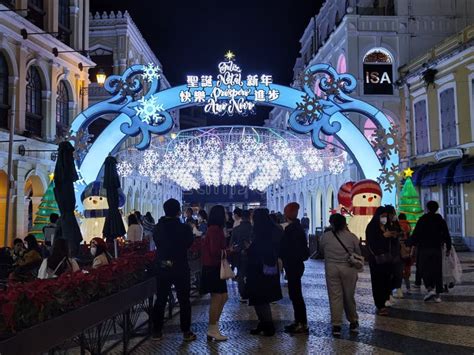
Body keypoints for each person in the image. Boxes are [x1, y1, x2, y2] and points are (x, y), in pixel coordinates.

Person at [152, 198, 196, 342]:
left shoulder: (158, 228)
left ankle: (157, 331)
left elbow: (157, 242)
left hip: (163, 266)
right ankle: (186, 331)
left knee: (161, 299)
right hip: (180, 266)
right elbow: (189, 242)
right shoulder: (184, 228)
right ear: (178, 212)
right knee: (184, 300)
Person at [320, 213, 361, 336]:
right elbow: (358, 252)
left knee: (335, 296)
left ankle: (336, 324)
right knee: (349, 295)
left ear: (332, 223)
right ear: (344, 223)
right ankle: (353, 321)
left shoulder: (325, 236)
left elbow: (321, 250)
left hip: (331, 268)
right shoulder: (351, 236)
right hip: (348, 268)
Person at [246, 208, 283, 337]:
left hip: (260, 271)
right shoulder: (272, 230)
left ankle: (268, 326)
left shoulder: (262, 233)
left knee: (261, 299)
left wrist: (249, 249)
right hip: (266, 269)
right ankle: (263, 323)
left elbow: (259, 250)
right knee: (259, 299)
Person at [411, 201, 451, 302]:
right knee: (437, 270)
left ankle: (430, 288)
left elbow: (416, 234)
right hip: (436, 249)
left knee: (423, 268)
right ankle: (437, 295)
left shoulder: (423, 219)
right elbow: (446, 234)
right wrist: (448, 247)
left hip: (424, 249)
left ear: (427, 208)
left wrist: (408, 243)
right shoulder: (440, 220)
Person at [279, 202, 310, 334]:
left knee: (296, 294)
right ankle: (299, 321)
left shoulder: (291, 230)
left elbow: (286, 247)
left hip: (293, 264)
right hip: (296, 264)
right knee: (295, 294)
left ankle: (301, 323)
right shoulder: (298, 228)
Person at [200, 205, 229, 341]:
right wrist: (228, 251)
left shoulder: (216, 229)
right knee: (217, 297)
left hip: (215, 266)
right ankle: (212, 328)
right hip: (212, 267)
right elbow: (215, 250)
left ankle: (214, 326)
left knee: (223, 297)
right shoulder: (214, 230)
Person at [365, 206, 398, 316]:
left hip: (387, 259)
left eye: (385, 216)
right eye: (382, 216)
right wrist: (383, 236)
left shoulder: (387, 226)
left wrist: (393, 236)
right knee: (378, 282)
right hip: (376, 260)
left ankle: (385, 300)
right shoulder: (372, 227)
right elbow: (372, 243)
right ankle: (380, 305)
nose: (384, 218)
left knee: (386, 280)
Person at [231, 209, 253, 302]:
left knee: (240, 275)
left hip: (239, 255)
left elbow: (231, 244)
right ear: (249, 217)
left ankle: (243, 295)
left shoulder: (236, 229)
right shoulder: (254, 228)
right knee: (251, 274)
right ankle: (251, 292)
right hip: (252, 255)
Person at [385, 205, 404, 301]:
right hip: (389, 251)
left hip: (395, 251)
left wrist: (397, 234)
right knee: (391, 272)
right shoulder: (385, 223)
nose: (393, 215)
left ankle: (397, 288)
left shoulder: (395, 223)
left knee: (397, 271)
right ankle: (390, 292)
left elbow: (401, 232)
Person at [398, 213, 413, 292]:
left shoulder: (397, 225)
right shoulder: (408, 225)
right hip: (407, 248)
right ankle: (408, 287)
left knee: (399, 268)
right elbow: (409, 235)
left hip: (399, 248)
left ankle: (398, 288)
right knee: (407, 267)